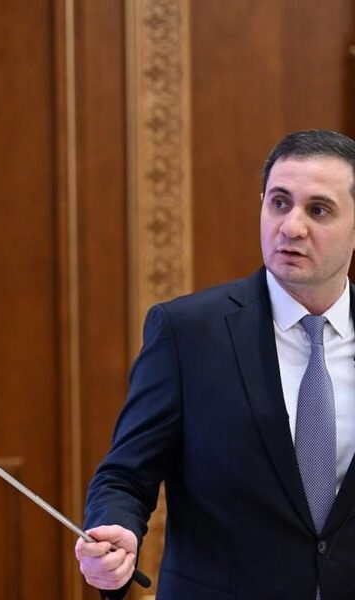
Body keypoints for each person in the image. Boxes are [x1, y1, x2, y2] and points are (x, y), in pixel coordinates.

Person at [74, 129, 355, 599]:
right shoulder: (186, 332)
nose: (291, 227)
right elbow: (125, 475)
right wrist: (116, 529)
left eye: (318, 210)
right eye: (279, 203)